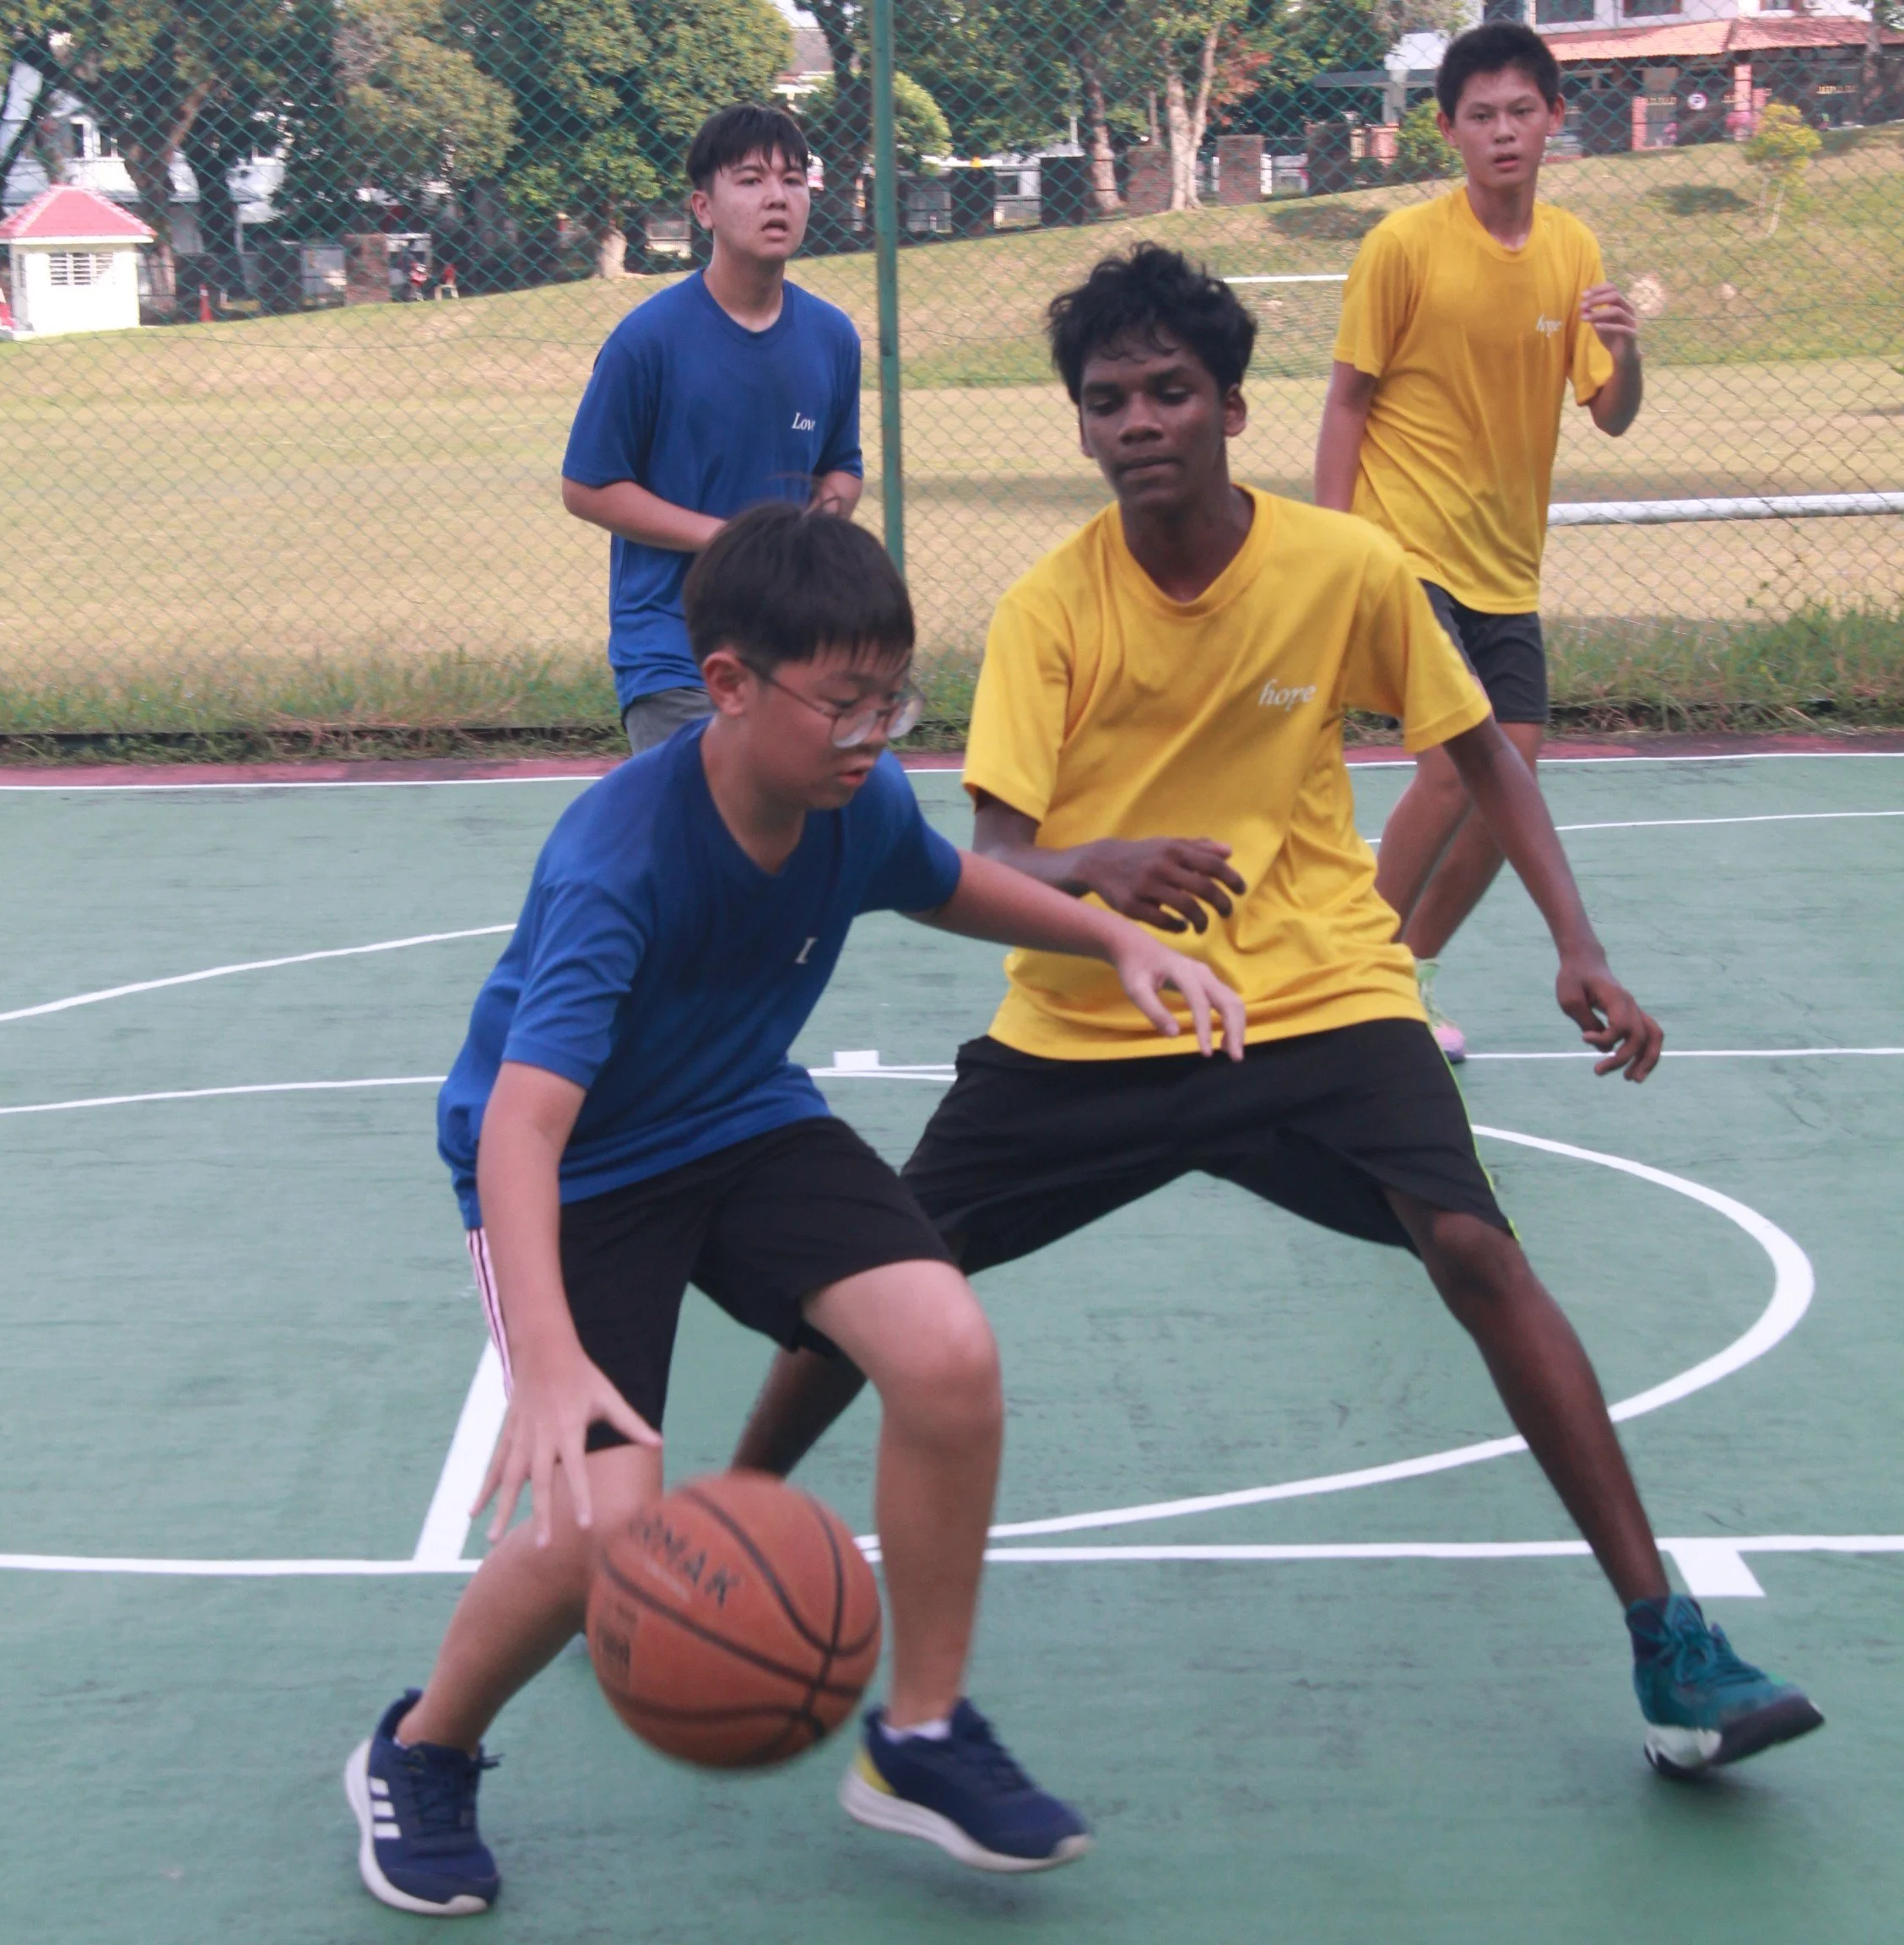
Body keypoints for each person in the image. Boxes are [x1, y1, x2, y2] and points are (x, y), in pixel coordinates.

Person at [733, 245, 1822, 1785]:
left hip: (1315, 990)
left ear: (1230, 406)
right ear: (1081, 427)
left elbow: (1481, 751)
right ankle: (717, 1518)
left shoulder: (1342, 567)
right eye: (1104, 400)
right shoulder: (1053, 607)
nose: (1135, 421)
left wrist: (1574, 943)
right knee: (894, 1272)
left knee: (1472, 1247)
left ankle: (1669, 1642)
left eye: (1166, 389)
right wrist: (1099, 869)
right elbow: (989, 860)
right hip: (1089, 1013)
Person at [345, 501, 1247, 1916]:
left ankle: (921, 1734)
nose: (871, 733)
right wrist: (550, 1353)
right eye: (841, 702)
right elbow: (524, 1122)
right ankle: (418, 1746)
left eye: (890, 699)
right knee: (594, 1520)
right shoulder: (617, 860)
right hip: (579, 1169)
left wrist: (1113, 932)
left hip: (741, 1118)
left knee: (945, 1347)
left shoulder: (854, 801)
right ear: (724, 683)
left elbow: (951, 881)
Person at [1314, 21, 1645, 1061]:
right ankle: (1340, 979)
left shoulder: (1573, 251)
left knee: (1514, 794)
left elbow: (1612, 414)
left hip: (1507, 569)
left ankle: (1401, 975)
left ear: (1555, 119)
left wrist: (1629, 352)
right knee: (1461, 771)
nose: (1503, 132)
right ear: (1448, 130)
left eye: (1522, 111)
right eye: (1481, 115)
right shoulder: (1403, 247)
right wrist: (1331, 552)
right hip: (1402, 551)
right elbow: (1345, 402)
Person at [561, 103, 863, 756]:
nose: (777, 197)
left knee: (805, 841)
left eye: (792, 179)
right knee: (707, 838)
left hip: (790, 646)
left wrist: (809, 536)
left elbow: (843, 463)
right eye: (751, 180)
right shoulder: (648, 341)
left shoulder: (832, 336)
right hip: (675, 651)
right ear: (703, 208)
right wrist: (733, 544)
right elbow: (587, 487)